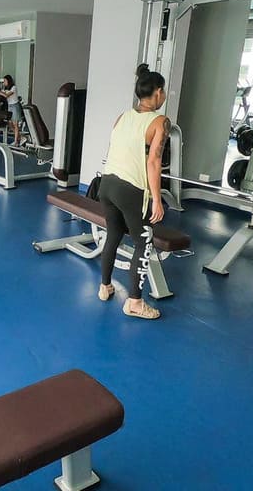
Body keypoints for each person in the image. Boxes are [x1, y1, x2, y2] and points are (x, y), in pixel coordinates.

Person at [97, 64, 170, 320]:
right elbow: (154, 162)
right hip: (130, 189)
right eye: (164, 92)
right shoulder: (160, 121)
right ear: (158, 92)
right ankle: (135, 303)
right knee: (143, 241)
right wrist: (157, 199)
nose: (164, 96)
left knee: (114, 234)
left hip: (107, 183)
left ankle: (105, 286)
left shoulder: (123, 116)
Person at [0, 75, 23, 146]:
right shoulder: (6, 89)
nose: (4, 83)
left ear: (8, 81)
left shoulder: (13, 88)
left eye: (5, 81)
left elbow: (6, 95)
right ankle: (19, 137)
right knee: (10, 123)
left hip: (15, 106)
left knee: (15, 124)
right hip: (10, 106)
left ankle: (16, 142)